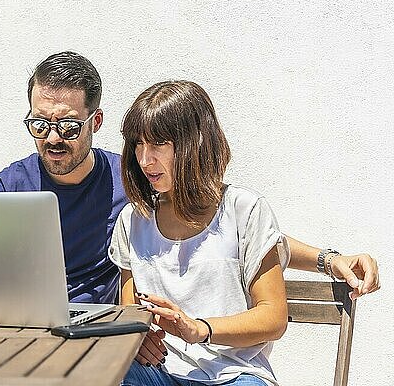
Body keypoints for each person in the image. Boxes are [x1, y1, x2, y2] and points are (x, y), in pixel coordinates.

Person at [0, 51, 379, 306]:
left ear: (94, 121)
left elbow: (228, 225)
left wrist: (329, 259)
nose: (52, 139)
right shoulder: (6, 188)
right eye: (39, 124)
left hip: (99, 337)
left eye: (67, 126)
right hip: (24, 332)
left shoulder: (132, 180)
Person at [111, 80, 292, 385]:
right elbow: (130, 309)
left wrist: (199, 329)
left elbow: (274, 317)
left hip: (233, 374)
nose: (144, 160)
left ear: (193, 144)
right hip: (158, 373)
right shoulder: (133, 220)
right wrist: (138, 336)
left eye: (157, 144)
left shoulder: (244, 210)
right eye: (138, 144)